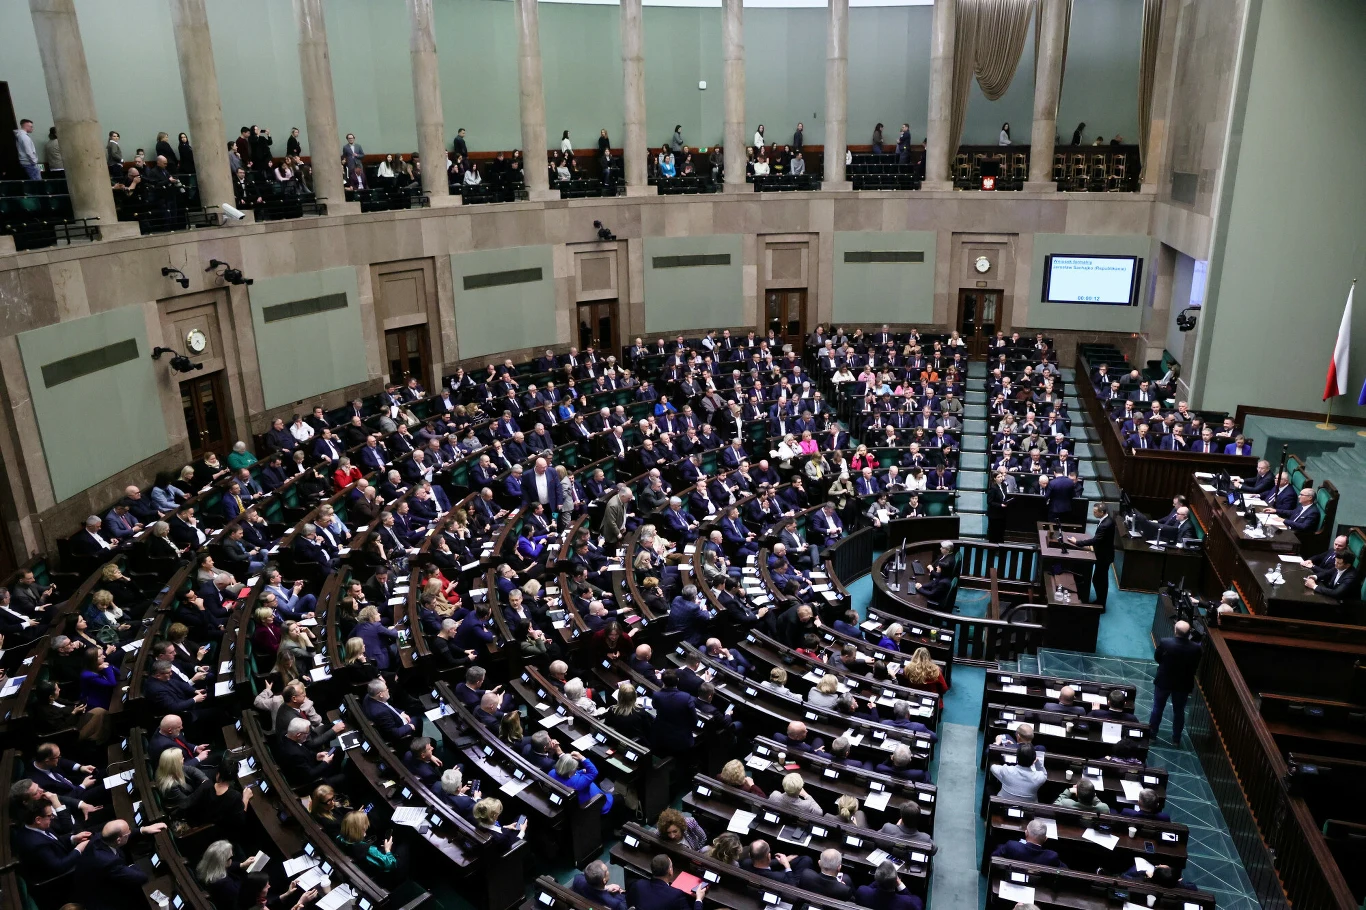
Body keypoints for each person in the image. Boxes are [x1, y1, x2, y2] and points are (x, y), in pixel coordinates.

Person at [1150, 620, 1202, 744]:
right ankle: (1176, 739)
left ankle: (1152, 735)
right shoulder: (1196, 648)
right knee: (1179, 711)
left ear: (1175, 630)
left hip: (1164, 680)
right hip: (1183, 684)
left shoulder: (1165, 642)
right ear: (1189, 633)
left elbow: (1157, 657)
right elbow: (1196, 664)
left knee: (1157, 708)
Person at [1066, 502, 1115, 603]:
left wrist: (1078, 542)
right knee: (1099, 580)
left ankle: (1101, 603)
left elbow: (1096, 540)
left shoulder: (1104, 525)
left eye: (1095, 512)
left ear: (1102, 512)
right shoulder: (1107, 519)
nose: (1093, 514)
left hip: (1103, 557)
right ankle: (1101, 601)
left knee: (1099, 580)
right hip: (1105, 553)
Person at [628, 854, 707, 910]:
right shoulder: (676, 895)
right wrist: (699, 899)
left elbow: (629, 902)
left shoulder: (638, 884)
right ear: (670, 871)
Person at [991, 818, 1065, 867]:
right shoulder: (1051, 857)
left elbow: (994, 855)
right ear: (1045, 839)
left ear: (1026, 833)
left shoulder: (1012, 846)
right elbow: (1064, 870)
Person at [854, 860, 923, 910]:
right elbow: (916, 902)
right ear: (896, 880)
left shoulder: (861, 892)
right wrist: (900, 884)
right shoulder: (908, 903)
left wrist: (882, 877)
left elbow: (869, 889)